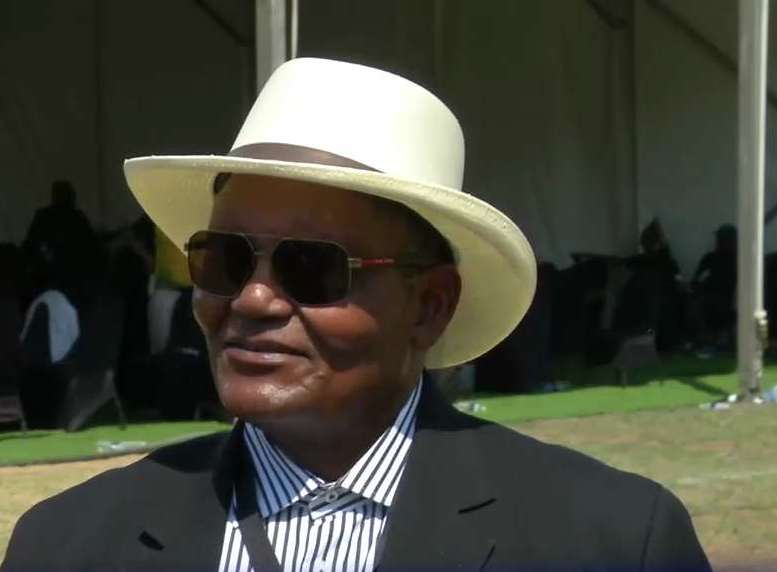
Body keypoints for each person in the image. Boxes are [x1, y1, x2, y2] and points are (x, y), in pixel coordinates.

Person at [1, 59, 712, 572]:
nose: (252, 300)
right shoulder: (66, 547)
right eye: (225, 260)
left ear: (429, 305)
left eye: (312, 268)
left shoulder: (610, 542)